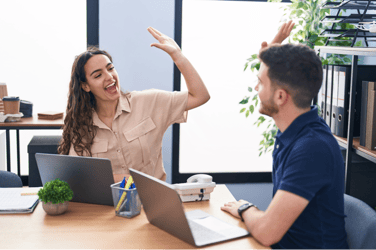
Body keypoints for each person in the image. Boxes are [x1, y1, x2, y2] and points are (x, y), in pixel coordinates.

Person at [221, 22, 349, 249]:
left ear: (281, 97)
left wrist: (245, 209)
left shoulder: (311, 149)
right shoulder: (298, 131)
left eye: (260, 83)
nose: (256, 90)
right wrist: (272, 49)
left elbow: (267, 233)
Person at [58, 27, 210, 182]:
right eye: (98, 75)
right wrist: (128, 179)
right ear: (86, 86)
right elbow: (77, 176)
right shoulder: (81, 125)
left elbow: (200, 96)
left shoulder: (148, 102)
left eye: (110, 68)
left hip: (151, 201)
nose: (109, 76)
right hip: (106, 204)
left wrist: (177, 55)